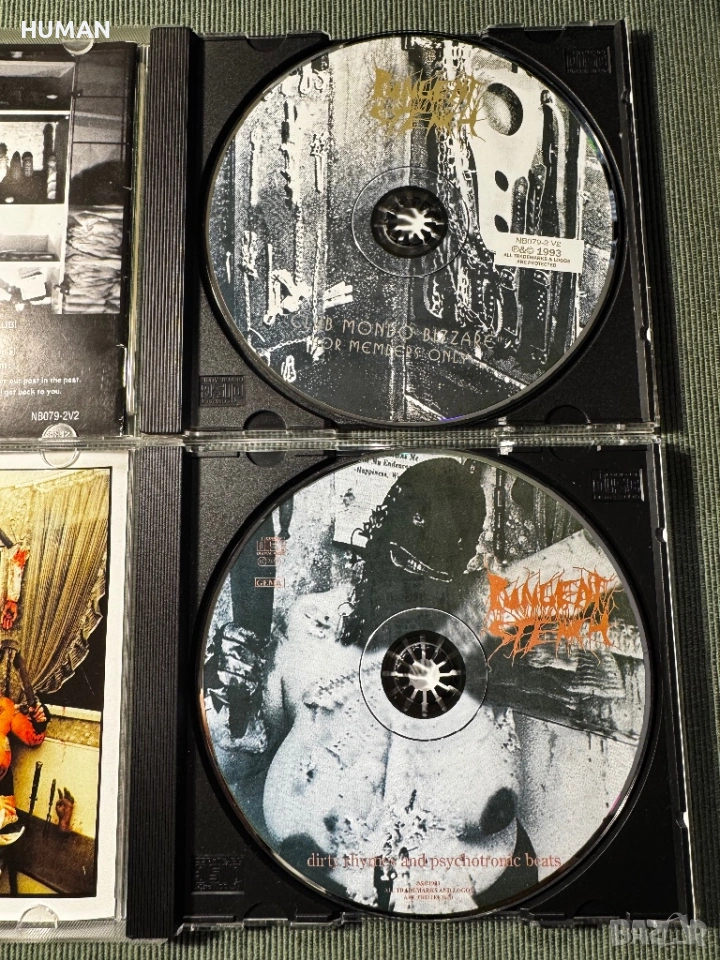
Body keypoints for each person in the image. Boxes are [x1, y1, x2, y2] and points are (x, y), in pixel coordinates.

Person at [205, 458, 538, 912]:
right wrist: (229, 698)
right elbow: (240, 763)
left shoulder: (480, 637)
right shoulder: (311, 625)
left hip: (478, 904)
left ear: (463, 563)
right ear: (379, 531)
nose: (414, 581)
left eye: (436, 572)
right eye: (403, 557)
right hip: (313, 900)